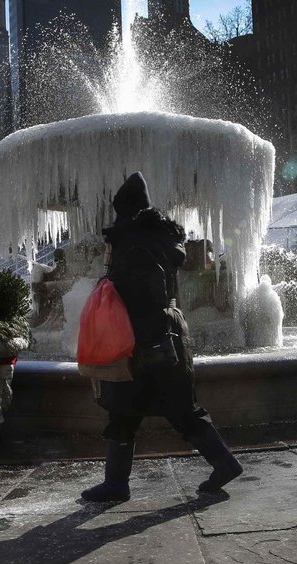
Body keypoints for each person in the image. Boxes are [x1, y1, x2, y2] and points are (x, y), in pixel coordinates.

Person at [81, 172, 243, 502]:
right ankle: (223, 462)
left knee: (125, 408)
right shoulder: (156, 240)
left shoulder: (135, 244)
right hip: (165, 334)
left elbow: (143, 292)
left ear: (126, 210)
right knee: (176, 408)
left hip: (144, 338)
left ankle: (116, 484)